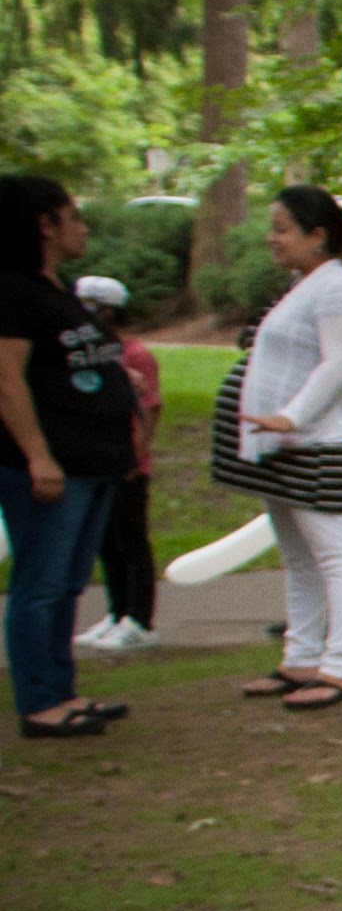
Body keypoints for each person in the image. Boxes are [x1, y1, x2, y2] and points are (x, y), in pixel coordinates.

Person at [212, 186, 342, 715]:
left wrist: (293, 415)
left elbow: (340, 364)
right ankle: (301, 659)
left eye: (283, 228)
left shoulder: (339, 289)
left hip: (322, 443)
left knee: (337, 555)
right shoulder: (302, 285)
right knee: (299, 559)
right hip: (284, 445)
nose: (272, 238)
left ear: (318, 235)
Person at [0, 176, 130, 737]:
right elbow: (7, 380)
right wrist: (38, 457)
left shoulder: (59, 290)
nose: (84, 226)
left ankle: (62, 690)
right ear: (44, 225)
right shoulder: (12, 290)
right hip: (53, 467)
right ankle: (39, 702)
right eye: (73, 216)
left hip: (94, 462)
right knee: (41, 583)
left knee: (70, 582)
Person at [74, 275, 160, 654]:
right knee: (106, 543)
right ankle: (117, 611)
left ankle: (140, 619)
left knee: (131, 541)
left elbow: (151, 409)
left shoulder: (136, 355)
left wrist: (134, 454)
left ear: (107, 309)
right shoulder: (98, 353)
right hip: (102, 461)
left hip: (128, 465)